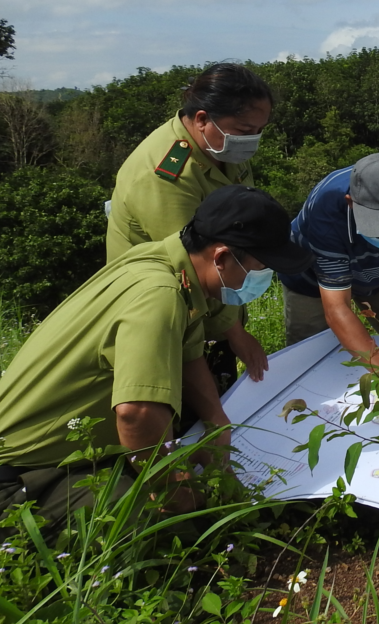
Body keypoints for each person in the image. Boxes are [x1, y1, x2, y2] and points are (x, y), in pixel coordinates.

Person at [0, 185, 312, 545]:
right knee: (157, 530)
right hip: (8, 486)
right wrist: (179, 496)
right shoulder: (158, 295)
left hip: (63, 458)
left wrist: (218, 426)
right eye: (261, 268)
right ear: (221, 258)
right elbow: (136, 414)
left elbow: (189, 357)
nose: (264, 279)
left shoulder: (166, 266)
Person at [107, 62, 274, 389]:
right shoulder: (166, 174)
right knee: (188, 420)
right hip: (166, 310)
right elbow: (194, 264)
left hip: (213, 304)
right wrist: (236, 334)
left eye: (259, 130)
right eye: (244, 130)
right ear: (202, 119)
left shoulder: (224, 146)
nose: (252, 140)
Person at [278, 153, 379, 391]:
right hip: (312, 279)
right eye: (377, 228)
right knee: (310, 361)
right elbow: (337, 309)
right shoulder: (326, 208)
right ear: (350, 203)